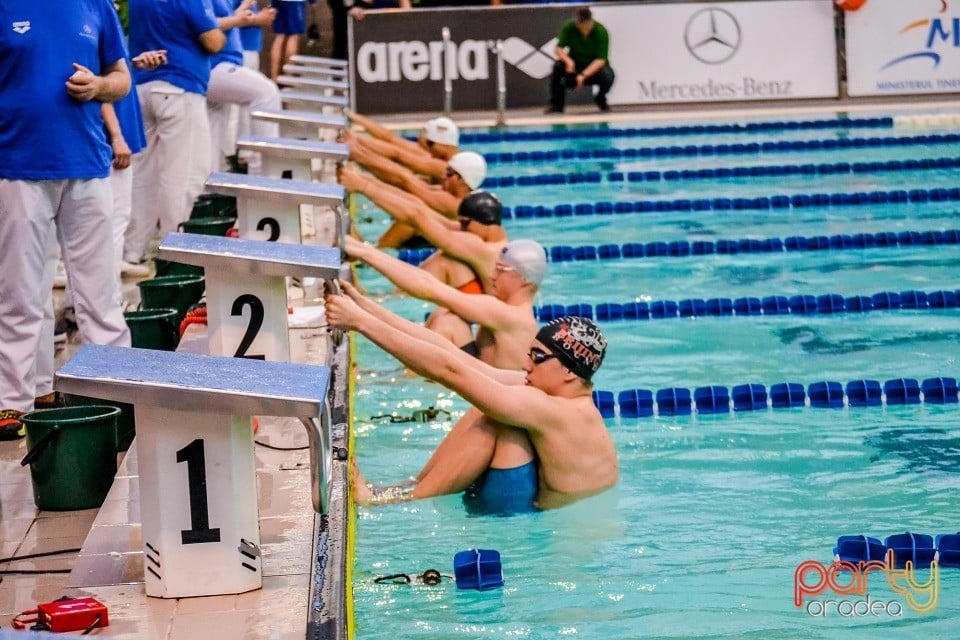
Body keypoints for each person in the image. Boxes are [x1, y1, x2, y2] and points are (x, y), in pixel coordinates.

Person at [325, 286, 619, 512]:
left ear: (568, 371)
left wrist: (362, 324)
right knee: (494, 406)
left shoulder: (553, 410)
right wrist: (366, 310)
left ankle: (392, 501)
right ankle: (399, 489)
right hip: (531, 505)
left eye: (538, 357)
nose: (526, 364)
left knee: (494, 417)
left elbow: (449, 371)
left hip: (534, 524)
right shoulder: (554, 398)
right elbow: (458, 359)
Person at [0, 0, 133, 439]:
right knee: (19, 292)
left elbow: (122, 80)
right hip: (17, 167)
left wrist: (98, 85)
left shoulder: (95, 6)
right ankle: (12, 402)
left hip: (87, 164)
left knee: (100, 294)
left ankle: (116, 395)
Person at [124, 0, 225, 266]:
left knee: (144, 176)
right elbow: (213, 41)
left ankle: (134, 250)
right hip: (179, 87)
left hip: (144, 87)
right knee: (183, 176)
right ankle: (176, 255)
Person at [345, 142, 486, 248]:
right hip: (422, 246)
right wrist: (362, 180)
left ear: (462, 180)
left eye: (449, 173)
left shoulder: (454, 203)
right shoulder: (446, 193)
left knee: (409, 223)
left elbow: (405, 181)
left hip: (427, 249)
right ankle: (371, 248)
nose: (442, 176)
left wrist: (358, 154)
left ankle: (375, 250)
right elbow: (406, 193)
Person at [208, 0, 281, 176]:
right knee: (266, 93)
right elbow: (205, 24)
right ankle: (262, 176)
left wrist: (241, 15)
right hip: (214, 64)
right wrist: (245, 18)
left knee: (214, 125)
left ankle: (208, 184)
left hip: (225, 60)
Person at [347, 113, 459, 182]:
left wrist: (356, 142)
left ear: (446, 145)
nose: (427, 148)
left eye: (430, 144)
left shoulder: (445, 167)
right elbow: (390, 138)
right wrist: (354, 117)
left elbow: (398, 156)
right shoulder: (432, 157)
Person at [548, 6, 614, 114]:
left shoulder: (601, 31)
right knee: (557, 67)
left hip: (593, 68)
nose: (582, 27)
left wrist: (583, 75)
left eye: (585, 24)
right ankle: (556, 106)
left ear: (590, 22)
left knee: (608, 75)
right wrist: (569, 62)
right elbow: (558, 48)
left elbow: (600, 60)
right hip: (575, 65)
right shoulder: (570, 27)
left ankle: (601, 98)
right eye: (580, 24)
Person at [269, 0, 318, 82]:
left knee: (279, 35)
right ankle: (289, 75)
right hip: (294, 2)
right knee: (294, 36)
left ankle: (274, 76)